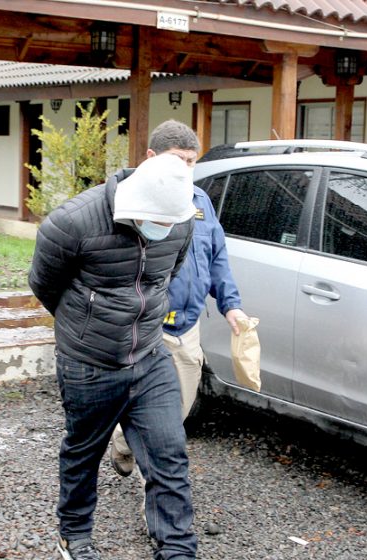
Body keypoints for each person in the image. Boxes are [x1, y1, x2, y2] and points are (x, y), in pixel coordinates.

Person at [28, 150, 199, 560]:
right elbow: (44, 286)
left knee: (168, 454)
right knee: (83, 452)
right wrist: (88, 328)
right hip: (89, 364)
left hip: (150, 357)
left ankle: (177, 549)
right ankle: (74, 536)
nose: (163, 228)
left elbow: (164, 277)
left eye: (168, 223)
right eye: (155, 221)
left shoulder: (180, 222)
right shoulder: (71, 223)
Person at [109, 120, 247, 479]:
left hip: (187, 328)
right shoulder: (130, 201)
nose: (185, 169)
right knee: (162, 429)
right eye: (177, 160)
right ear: (151, 158)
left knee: (179, 411)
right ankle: (159, 510)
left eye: (191, 161)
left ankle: (124, 440)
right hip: (148, 328)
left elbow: (216, 255)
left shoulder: (201, 201)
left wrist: (230, 304)